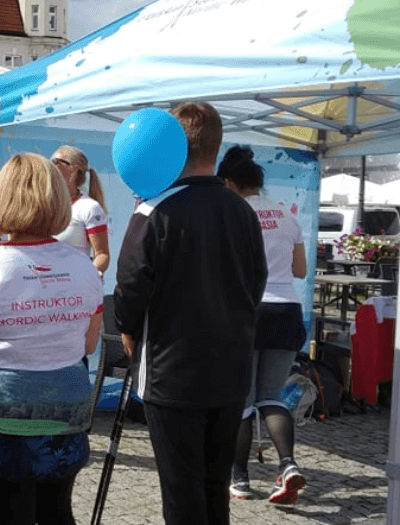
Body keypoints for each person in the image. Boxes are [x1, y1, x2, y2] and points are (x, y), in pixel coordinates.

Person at [113, 101, 267, 525]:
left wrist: (128, 329)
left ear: (171, 147)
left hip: (173, 373)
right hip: (229, 371)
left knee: (182, 495)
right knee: (214, 488)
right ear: (215, 149)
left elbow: (129, 289)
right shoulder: (244, 213)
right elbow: (257, 283)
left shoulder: (153, 211)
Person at [0, 153, 104, 525]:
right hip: (66, 410)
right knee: (57, 511)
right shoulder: (85, 266)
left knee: (9, 514)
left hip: (4, 411)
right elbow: (87, 345)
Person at [219, 146, 309, 504]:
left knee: (241, 401)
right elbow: (300, 270)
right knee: (271, 396)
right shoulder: (287, 217)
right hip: (287, 312)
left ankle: (239, 479)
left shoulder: (232, 213)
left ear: (228, 182)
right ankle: (287, 465)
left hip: (247, 311)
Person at [51, 145, 110, 274]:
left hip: (72, 288)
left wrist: (86, 278)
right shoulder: (43, 204)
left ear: (73, 170)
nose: (50, 166)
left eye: (55, 162)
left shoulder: (89, 207)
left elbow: (102, 254)